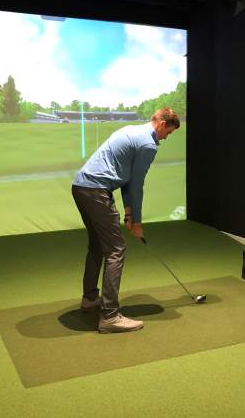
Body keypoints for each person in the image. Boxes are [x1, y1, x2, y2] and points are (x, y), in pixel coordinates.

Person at [71, 107, 180, 333]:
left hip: (81, 187)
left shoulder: (131, 130)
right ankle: (110, 316)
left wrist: (129, 214)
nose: (166, 137)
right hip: (97, 190)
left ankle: (90, 298)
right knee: (116, 250)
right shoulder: (147, 144)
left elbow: (127, 179)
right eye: (168, 132)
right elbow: (136, 184)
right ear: (161, 123)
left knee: (98, 245)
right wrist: (137, 222)